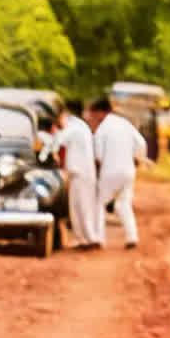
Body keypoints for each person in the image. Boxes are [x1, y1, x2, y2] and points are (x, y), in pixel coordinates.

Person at [85, 97, 150, 249]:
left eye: (94, 115)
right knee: (124, 203)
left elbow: (98, 156)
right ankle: (131, 236)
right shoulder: (125, 124)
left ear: (101, 113)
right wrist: (138, 159)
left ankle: (98, 238)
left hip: (110, 171)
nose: (93, 119)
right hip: (128, 171)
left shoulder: (102, 129)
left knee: (99, 204)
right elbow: (141, 143)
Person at [51, 98, 100, 249]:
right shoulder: (79, 127)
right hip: (79, 173)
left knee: (82, 206)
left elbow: (58, 140)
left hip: (81, 173)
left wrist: (53, 149)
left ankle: (90, 239)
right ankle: (83, 239)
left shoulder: (74, 127)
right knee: (77, 207)